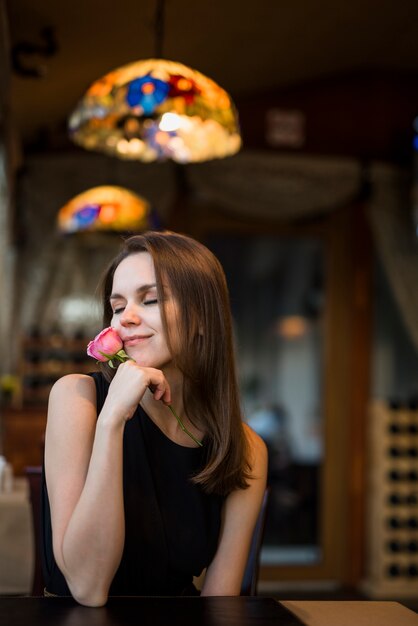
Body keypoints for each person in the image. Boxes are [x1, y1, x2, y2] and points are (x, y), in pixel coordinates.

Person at [42, 230, 267, 607]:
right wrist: (112, 418)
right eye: (117, 307)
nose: (125, 319)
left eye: (150, 300)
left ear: (201, 319)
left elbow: (220, 605)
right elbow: (87, 587)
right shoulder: (77, 398)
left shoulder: (246, 450)